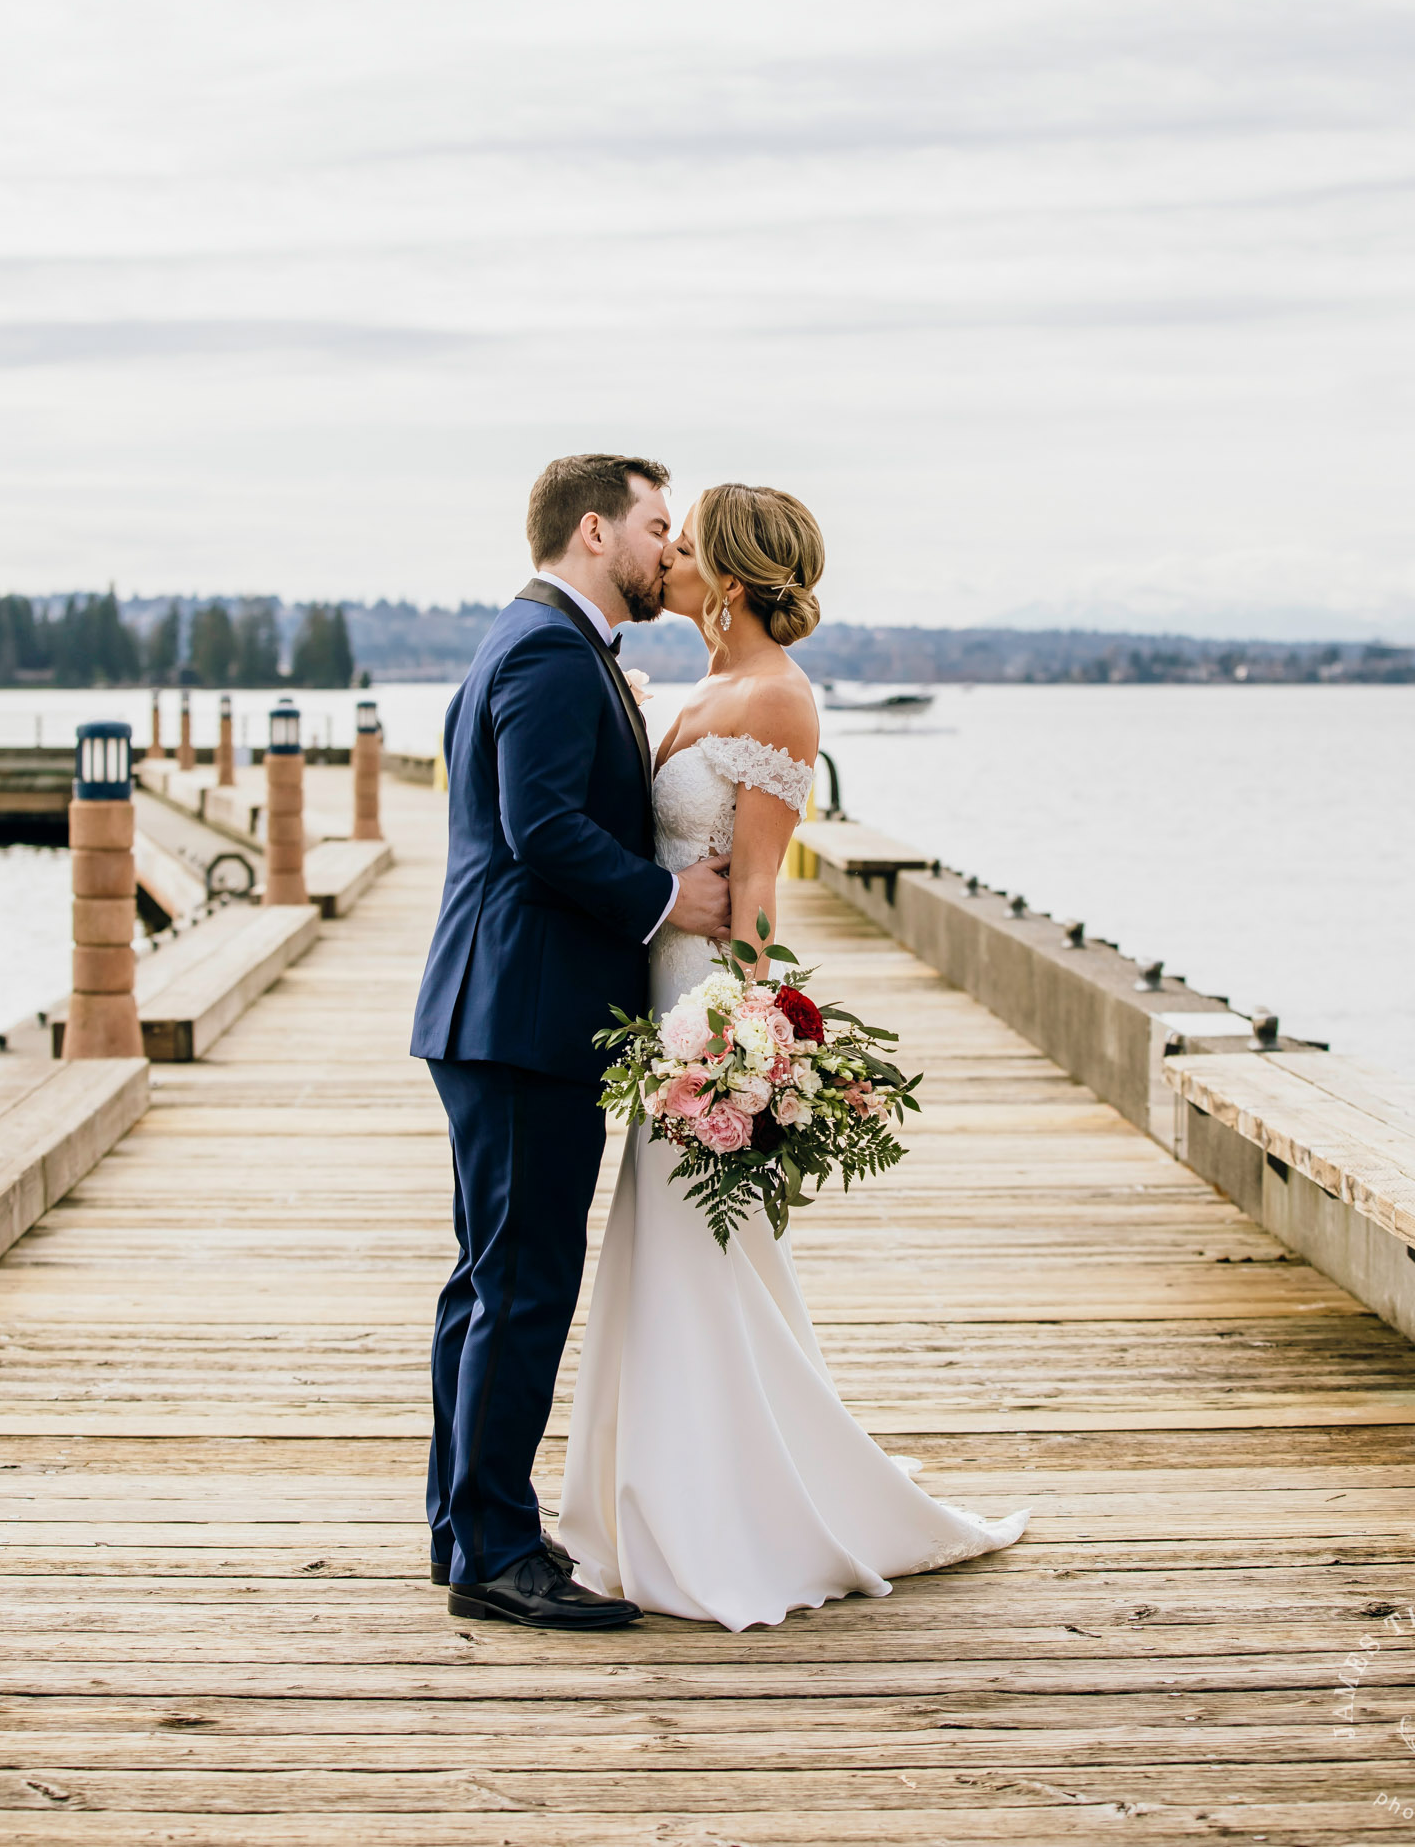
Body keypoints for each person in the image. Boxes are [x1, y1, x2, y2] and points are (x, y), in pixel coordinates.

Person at [558, 481, 1028, 1629]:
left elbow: (760, 883)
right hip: (652, 995)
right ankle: (657, 1501)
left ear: (720, 576)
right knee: (667, 1255)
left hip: (699, 1012)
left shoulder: (776, 701)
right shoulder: (704, 681)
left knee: (695, 1255)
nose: (660, 553)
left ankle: (720, 1519)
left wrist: (742, 1030)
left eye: (681, 543)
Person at [409, 454, 732, 1631]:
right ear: (593, 531)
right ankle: (495, 1550)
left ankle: (467, 1524)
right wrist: (667, 900)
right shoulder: (548, 649)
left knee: (489, 1281)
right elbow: (537, 825)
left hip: (503, 1013)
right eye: (656, 525)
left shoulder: (535, 638)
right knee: (522, 1283)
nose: (667, 548)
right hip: (524, 1018)